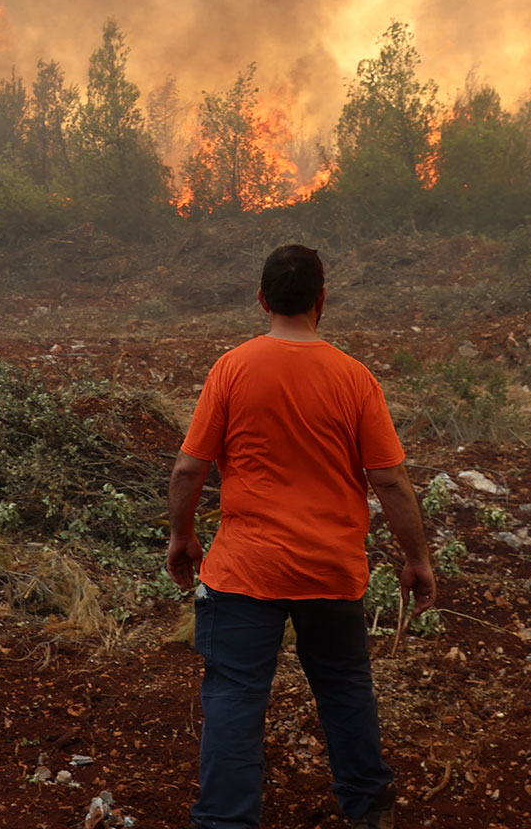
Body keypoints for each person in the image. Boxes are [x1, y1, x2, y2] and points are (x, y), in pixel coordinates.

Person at [166, 244, 436, 829]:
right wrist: (417, 558)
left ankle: (225, 821)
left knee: (236, 695)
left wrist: (182, 538)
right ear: (321, 300)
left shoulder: (232, 368)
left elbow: (190, 468)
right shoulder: (355, 378)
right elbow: (388, 479)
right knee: (343, 685)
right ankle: (368, 808)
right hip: (330, 568)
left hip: (245, 570)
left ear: (262, 300)